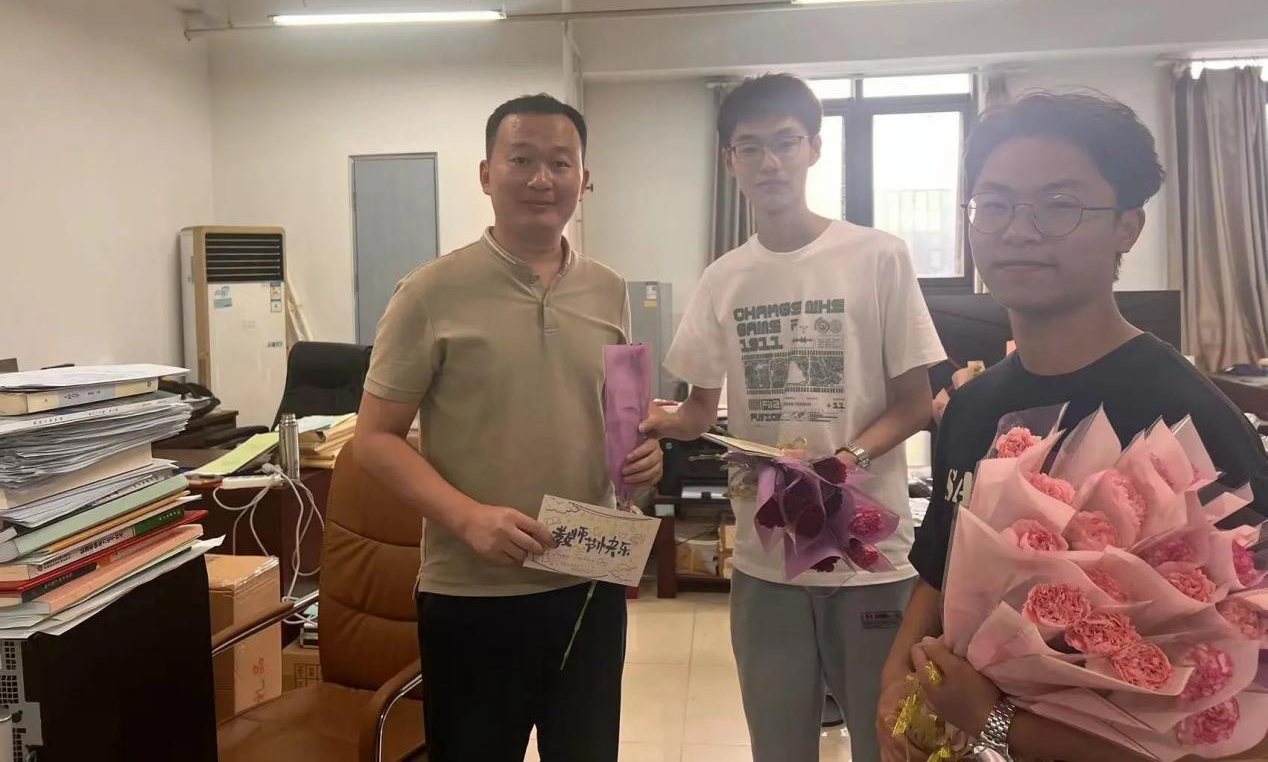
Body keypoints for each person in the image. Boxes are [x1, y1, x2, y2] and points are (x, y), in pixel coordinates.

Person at [877, 91, 1268, 762]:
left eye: (1059, 205)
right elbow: (938, 572)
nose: (1018, 230)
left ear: (1127, 227)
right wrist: (893, 683)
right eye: (995, 204)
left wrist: (996, 723)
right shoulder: (970, 407)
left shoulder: (1188, 420)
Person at [641, 74, 945, 762]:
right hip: (767, 556)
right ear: (730, 161)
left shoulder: (877, 256)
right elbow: (698, 410)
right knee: (778, 745)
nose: (770, 162)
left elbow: (914, 403)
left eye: (785, 143)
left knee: (886, 742)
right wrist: (645, 422)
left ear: (813, 148)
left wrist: (846, 461)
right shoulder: (724, 278)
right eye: (750, 148)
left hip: (868, 554)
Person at [354, 93, 664, 762]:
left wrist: (643, 456)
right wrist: (467, 518)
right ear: (486, 174)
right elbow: (373, 439)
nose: (541, 179)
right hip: (474, 591)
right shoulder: (429, 292)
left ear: (584, 180)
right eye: (521, 160)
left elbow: (615, 414)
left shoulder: (609, 289)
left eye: (561, 163)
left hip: (588, 582)